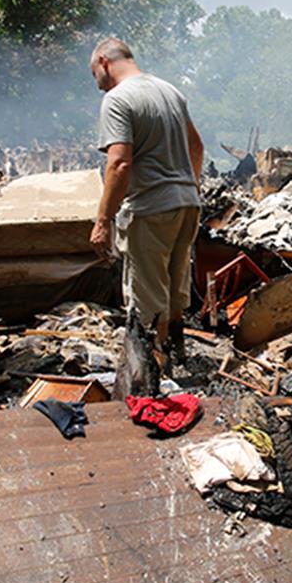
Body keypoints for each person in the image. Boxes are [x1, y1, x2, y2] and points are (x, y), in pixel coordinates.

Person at [90, 37, 203, 361]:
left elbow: (120, 163)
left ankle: (154, 375)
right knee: (174, 285)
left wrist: (103, 220)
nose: (97, 84)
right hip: (186, 206)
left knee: (147, 298)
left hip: (152, 209)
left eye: (94, 74)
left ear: (103, 62)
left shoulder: (118, 99)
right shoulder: (171, 92)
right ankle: (177, 354)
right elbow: (197, 146)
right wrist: (187, 187)